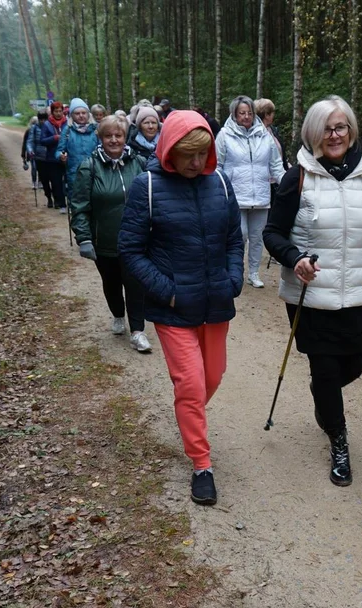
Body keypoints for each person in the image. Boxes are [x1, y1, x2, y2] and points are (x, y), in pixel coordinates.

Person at [264, 96, 362, 486]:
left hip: (358, 293)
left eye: (341, 127)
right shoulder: (296, 177)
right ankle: (338, 437)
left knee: (355, 364)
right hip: (311, 294)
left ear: (351, 131)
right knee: (326, 367)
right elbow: (273, 234)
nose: (335, 135)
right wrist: (295, 257)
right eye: (327, 128)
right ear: (314, 133)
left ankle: (323, 394)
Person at [118, 111, 243, 505]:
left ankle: (189, 417)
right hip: (174, 310)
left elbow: (234, 240)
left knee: (213, 377)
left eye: (201, 153)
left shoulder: (220, 182)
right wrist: (168, 292)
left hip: (216, 304)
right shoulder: (148, 186)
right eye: (188, 154)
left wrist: (234, 279)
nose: (195, 163)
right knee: (190, 385)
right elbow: (130, 251)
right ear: (170, 149)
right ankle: (201, 463)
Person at [71, 116, 151, 353]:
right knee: (112, 284)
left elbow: (152, 199)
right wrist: (84, 238)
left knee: (136, 285)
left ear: (126, 137)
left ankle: (138, 331)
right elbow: (79, 206)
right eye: (108, 136)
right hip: (105, 241)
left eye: (119, 135)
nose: (114, 140)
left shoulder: (139, 163)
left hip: (136, 241)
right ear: (101, 138)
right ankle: (118, 314)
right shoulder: (89, 166)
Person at [216, 95, 285, 288]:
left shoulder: (265, 135)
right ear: (234, 114)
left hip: (261, 195)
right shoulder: (224, 136)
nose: (246, 117)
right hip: (235, 196)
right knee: (241, 235)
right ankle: (236, 270)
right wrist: (219, 189)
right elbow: (217, 166)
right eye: (241, 113)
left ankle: (253, 273)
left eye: (249, 113)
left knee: (257, 237)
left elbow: (276, 165)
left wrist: (287, 183)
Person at [59, 98, 99, 194]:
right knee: (75, 198)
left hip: (95, 171)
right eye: (77, 113)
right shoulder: (67, 130)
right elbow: (59, 150)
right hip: (74, 172)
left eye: (83, 113)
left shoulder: (96, 130)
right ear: (71, 115)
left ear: (88, 114)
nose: (81, 116)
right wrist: (61, 156)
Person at [36, 101, 69, 211]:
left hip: (67, 155)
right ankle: (61, 203)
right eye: (56, 111)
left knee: (69, 180)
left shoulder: (67, 122)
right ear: (52, 112)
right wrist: (54, 138)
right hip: (52, 158)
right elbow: (42, 140)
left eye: (60, 111)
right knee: (56, 182)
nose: (59, 113)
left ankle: (70, 201)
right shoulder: (47, 124)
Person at [253, 98, 290, 170]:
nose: (274, 115)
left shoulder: (273, 131)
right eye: (273, 112)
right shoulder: (255, 133)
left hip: (278, 176)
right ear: (266, 115)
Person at [22, 116, 41, 189]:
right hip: (31, 152)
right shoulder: (28, 131)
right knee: (34, 167)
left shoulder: (40, 130)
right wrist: (23, 155)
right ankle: (34, 182)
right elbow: (25, 143)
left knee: (39, 167)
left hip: (39, 152)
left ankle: (39, 182)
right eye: (33, 123)